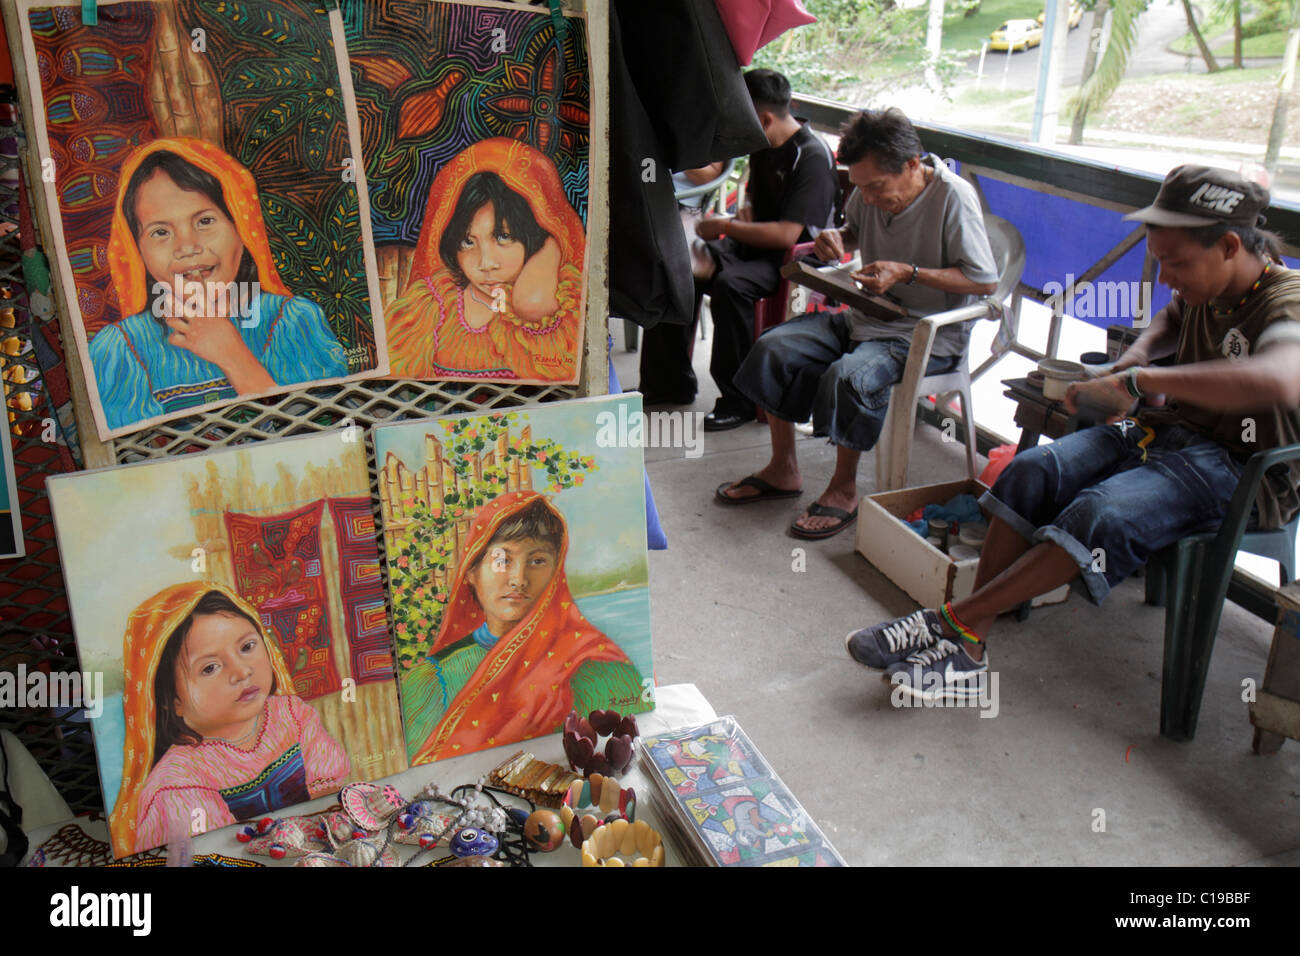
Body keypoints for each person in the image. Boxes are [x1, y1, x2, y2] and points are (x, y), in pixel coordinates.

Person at [846, 164, 1300, 702]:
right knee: (1030, 470)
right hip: (1168, 433)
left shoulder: (1285, 299)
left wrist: (1140, 378)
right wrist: (1128, 364)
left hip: (1241, 470)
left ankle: (952, 622)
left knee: (1100, 511)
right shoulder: (1205, 286)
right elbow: (1172, 318)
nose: (1168, 277)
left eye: (1176, 263)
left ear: (1229, 245)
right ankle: (971, 643)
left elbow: (1279, 379)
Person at [717, 108, 999, 539]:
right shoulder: (869, 192)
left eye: (876, 187)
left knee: (849, 376)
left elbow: (984, 280)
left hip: (924, 333)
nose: (866, 197)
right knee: (773, 348)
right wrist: (837, 238)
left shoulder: (952, 197)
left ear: (911, 164)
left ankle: (844, 488)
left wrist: (908, 272)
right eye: (860, 187)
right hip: (867, 315)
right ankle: (782, 469)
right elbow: (853, 229)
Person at [94, 137, 348, 432]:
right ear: (136, 248)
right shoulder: (122, 349)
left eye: (204, 222)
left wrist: (234, 357)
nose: (187, 247)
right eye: (160, 231)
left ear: (243, 228)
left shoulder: (292, 322)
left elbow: (324, 445)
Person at [637, 69, 839, 429]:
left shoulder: (810, 156)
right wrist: (741, 219)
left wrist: (728, 225)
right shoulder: (765, 147)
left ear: (763, 118)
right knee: (678, 265)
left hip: (793, 260)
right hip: (752, 246)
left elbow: (787, 235)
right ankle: (668, 382)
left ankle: (739, 399)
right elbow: (756, 211)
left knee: (732, 286)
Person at [403, 491, 646, 765]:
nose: (519, 579)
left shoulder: (595, 666)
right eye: (502, 560)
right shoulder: (435, 679)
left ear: (557, 572)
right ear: (471, 572)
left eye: (537, 561)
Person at [109, 582, 350, 856]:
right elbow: (214, 853)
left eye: (247, 646)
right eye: (210, 667)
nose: (241, 671)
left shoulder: (292, 714)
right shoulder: (177, 781)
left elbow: (330, 794)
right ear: (172, 701)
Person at [385, 138, 586, 383]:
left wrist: (551, 244)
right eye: (467, 242)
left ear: (535, 234)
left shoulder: (558, 305)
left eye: (503, 237)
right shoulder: (435, 304)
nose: (486, 263)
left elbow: (533, 304)